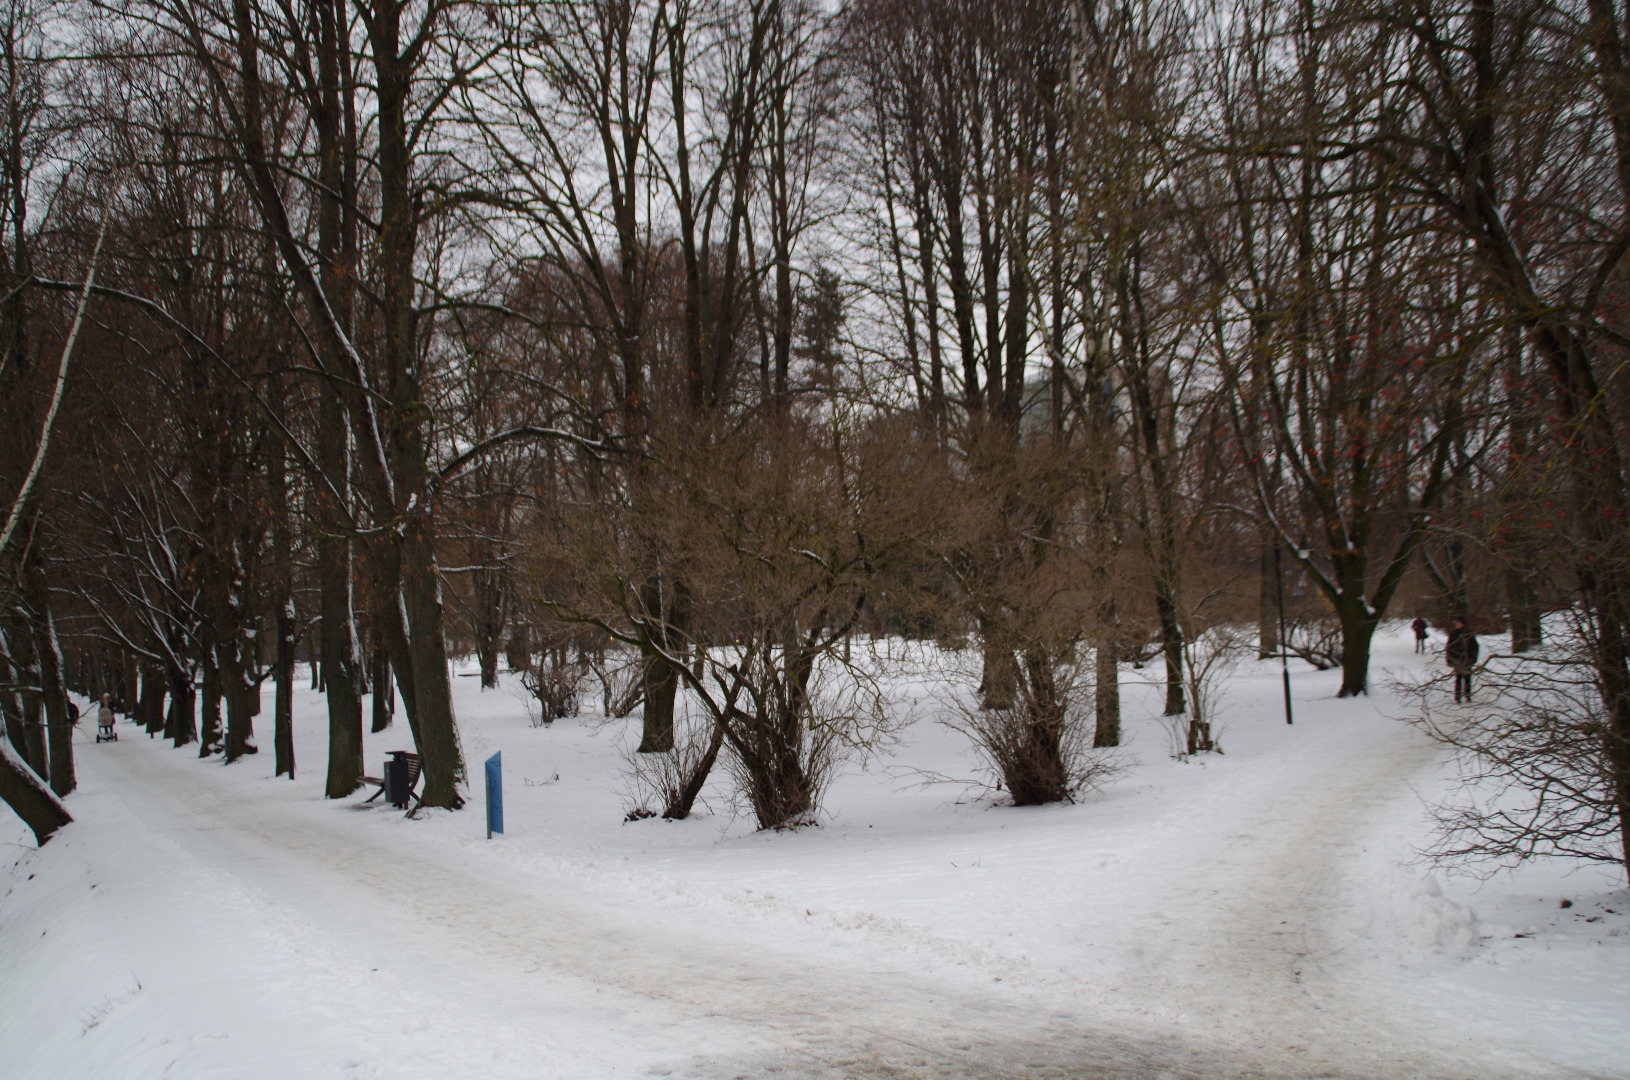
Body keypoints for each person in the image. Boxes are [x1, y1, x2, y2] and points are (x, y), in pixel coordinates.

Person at [1445, 616, 1479, 703]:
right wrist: (1449, 659)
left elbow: (1475, 646)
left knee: (1467, 678)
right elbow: (1449, 647)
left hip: (1467, 660)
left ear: (1462, 623)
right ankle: (1458, 697)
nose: (1456, 624)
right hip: (1457, 660)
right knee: (1458, 678)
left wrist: (1473, 659)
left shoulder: (1468, 633)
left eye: (1457, 622)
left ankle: (1467, 695)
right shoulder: (1453, 634)